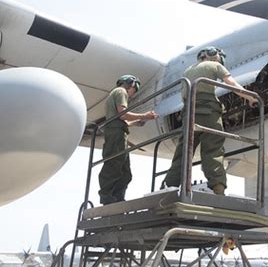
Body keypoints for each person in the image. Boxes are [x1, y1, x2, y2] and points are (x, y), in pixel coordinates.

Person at [164, 46, 257, 195]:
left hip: (189, 112)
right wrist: (250, 97)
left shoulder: (187, 71)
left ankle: (169, 186)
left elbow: (184, 96)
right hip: (208, 113)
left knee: (183, 152)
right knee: (213, 149)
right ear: (215, 55)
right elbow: (231, 83)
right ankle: (217, 187)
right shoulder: (215, 65)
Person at [98, 74, 158, 205]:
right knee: (113, 165)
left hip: (118, 133)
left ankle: (117, 197)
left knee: (125, 172)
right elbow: (123, 114)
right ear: (131, 84)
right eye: (134, 90)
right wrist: (145, 115)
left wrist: (136, 121)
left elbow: (119, 118)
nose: (132, 94)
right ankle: (107, 196)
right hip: (116, 135)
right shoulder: (121, 91)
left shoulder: (115, 93)